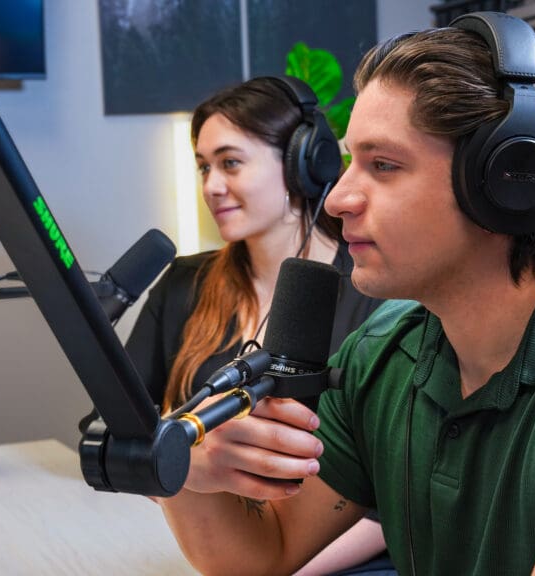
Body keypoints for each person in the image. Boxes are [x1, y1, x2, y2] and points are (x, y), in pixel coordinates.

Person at [155, 13, 535, 576]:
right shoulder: (382, 355)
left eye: (383, 165)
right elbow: (262, 556)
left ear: (510, 183)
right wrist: (188, 471)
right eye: (347, 163)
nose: (338, 200)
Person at [122, 76, 389, 574]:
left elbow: (385, 499)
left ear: (302, 166)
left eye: (230, 162)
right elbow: (126, 430)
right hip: (193, 543)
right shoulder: (184, 283)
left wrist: (285, 565)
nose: (210, 186)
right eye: (203, 167)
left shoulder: (379, 297)